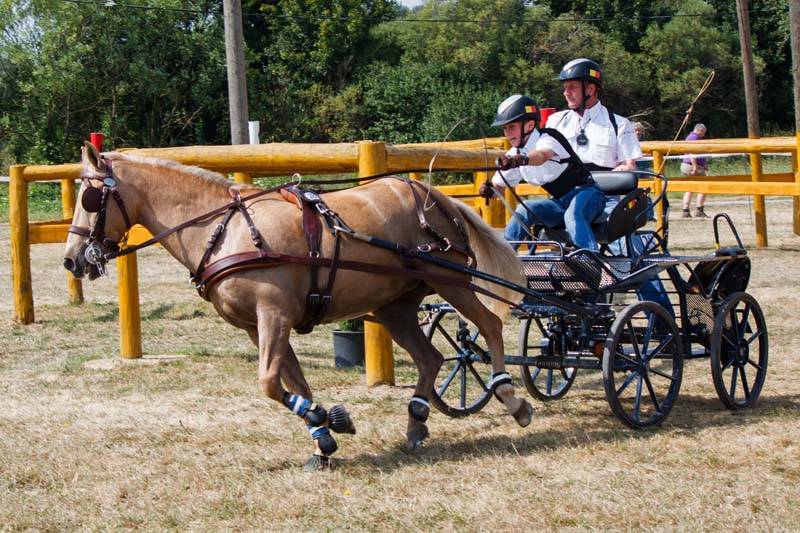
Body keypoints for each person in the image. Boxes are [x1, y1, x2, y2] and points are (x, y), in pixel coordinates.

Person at [479, 94, 606, 251]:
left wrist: (521, 160)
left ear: (530, 125)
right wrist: (489, 190)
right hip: (560, 202)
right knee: (525, 208)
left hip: (589, 194)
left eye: (512, 126)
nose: (508, 133)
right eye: (505, 128)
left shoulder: (547, 139)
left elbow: (541, 155)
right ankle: (504, 257)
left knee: (573, 215)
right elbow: (498, 185)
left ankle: (590, 260)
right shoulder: (514, 154)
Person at [545, 58, 642, 172]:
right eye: (565, 87)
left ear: (590, 89)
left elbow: (629, 165)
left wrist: (620, 171)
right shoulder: (555, 122)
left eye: (572, 87)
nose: (566, 93)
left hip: (604, 182)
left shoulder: (620, 124)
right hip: (567, 182)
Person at [681, 123, 709, 218]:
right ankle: (699, 209)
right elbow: (692, 153)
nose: (704, 135)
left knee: (690, 188)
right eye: (703, 132)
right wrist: (695, 167)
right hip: (692, 166)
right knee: (703, 187)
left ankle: (685, 210)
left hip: (686, 165)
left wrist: (704, 163)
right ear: (700, 130)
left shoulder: (690, 137)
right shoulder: (694, 138)